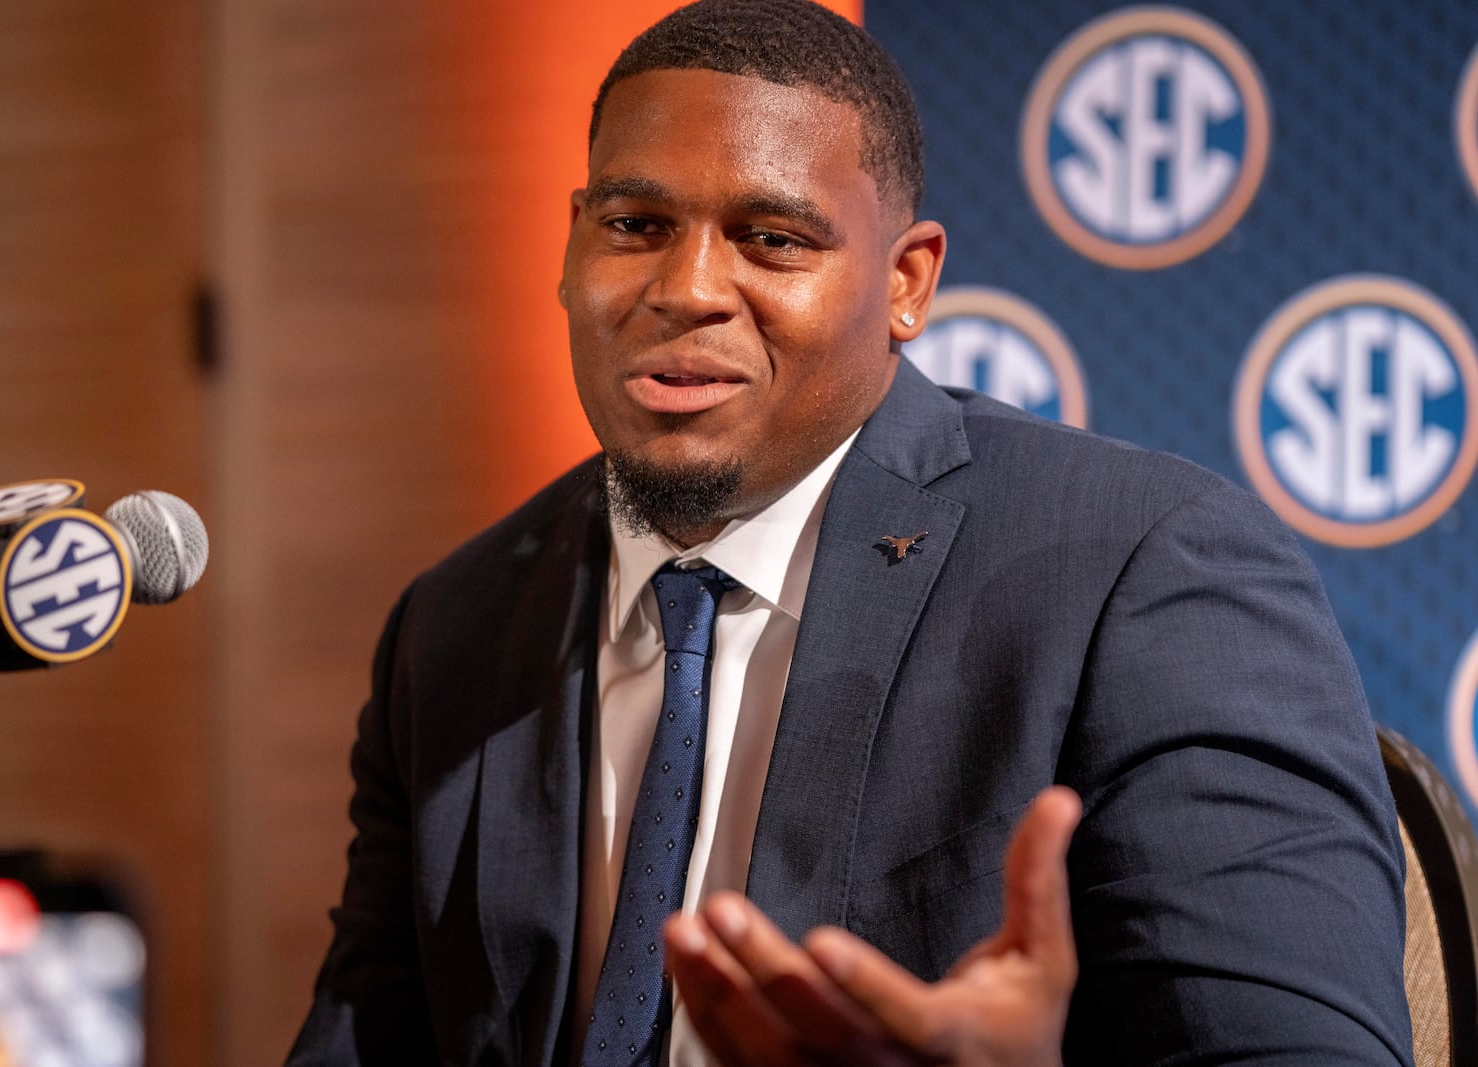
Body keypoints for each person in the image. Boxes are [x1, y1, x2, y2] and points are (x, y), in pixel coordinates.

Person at [285, 1, 1413, 1064]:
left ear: (907, 281)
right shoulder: (453, 625)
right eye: (636, 225)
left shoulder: (1148, 566)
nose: (686, 288)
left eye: (772, 240)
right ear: (574, 245)